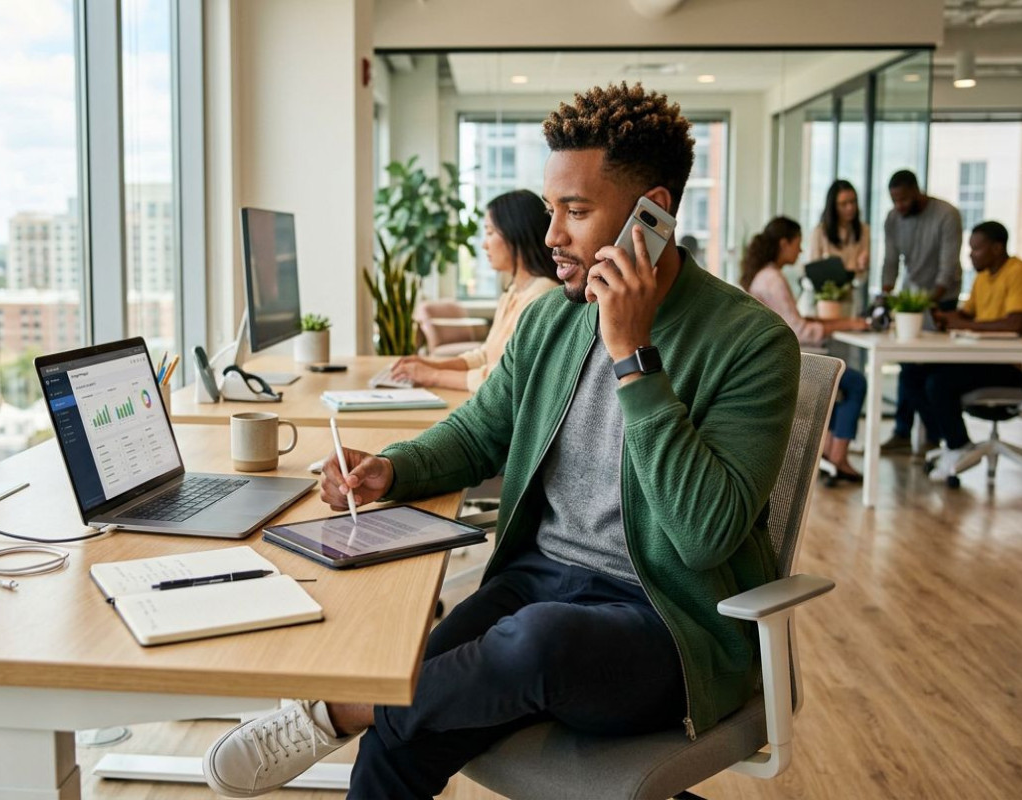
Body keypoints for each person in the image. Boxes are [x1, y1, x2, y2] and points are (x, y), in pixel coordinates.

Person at [201, 84, 800, 800]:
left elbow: (703, 537)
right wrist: (392, 469)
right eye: (552, 209)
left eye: (576, 212)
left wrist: (633, 355)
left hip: (667, 621)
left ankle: (332, 713)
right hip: (539, 584)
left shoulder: (752, 342)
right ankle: (366, 715)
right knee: (402, 730)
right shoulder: (552, 322)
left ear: (654, 215)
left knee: (534, 642)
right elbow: (481, 429)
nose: (551, 237)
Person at [909, 221, 1022, 481]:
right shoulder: (983, 278)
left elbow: (1015, 323)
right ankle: (951, 442)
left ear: (997, 248)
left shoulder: (1020, 273)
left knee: (939, 383)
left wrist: (963, 323)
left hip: (1015, 368)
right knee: (913, 373)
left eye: (976, 249)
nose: (971, 255)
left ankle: (957, 445)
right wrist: (939, 316)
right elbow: (966, 314)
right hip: (986, 360)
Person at [390, 190, 560, 391]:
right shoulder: (513, 292)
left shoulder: (543, 298)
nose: (484, 244)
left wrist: (433, 376)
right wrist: (429, 364)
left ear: (516, 233)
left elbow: (503, 380)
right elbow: (485, 356)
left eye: (489, 233)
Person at [744, 216, 869, 482]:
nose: (800, 251)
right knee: (855, 383)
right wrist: (840, 325)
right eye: (797, 245)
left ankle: (830, 453)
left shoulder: (764, 275)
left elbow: (795, 320)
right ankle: (838, 456)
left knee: (837, 382)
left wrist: (835, 322)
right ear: (783, 243)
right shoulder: (773, 278)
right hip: (792, 362)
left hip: (779, 359)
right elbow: (798, 330)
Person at [879, 170, 963, 454]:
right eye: (894, 200)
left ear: (917, 191)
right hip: (909, 300)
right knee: (908, 367)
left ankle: (933, 434)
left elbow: (947, 268)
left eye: (903, 199)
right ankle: (906, 431)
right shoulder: (893, 219)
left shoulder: (946, 215)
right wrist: (887, 296)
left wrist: (926, 303)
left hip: (942, 301)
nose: (899, 205)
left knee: (931, 371)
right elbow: (890, 261)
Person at [810, 178, 871, 281]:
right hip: (826, 293)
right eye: (843, 204)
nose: (850, 208)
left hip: (852, 292)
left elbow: (862, 277)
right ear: (833, 206)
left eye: (853, 202)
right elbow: (814, 270)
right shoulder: (820, 231)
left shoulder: (864, 230)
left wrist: (862, 267)